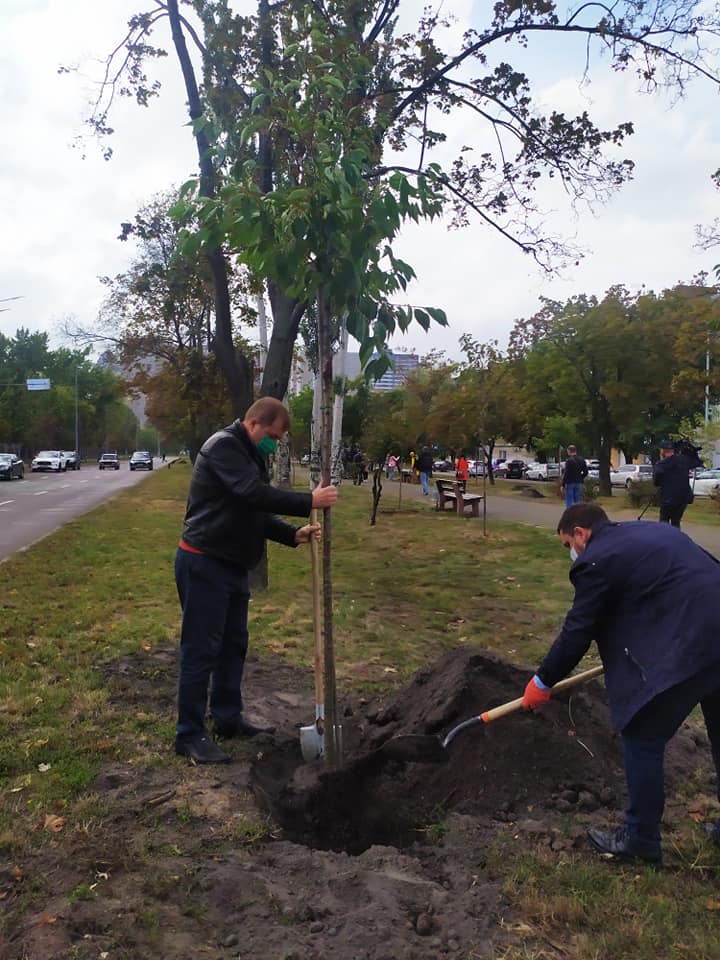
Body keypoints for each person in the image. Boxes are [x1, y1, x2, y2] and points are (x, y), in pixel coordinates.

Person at [521, 503, 720, 865]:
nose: (572, 552)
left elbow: (578, 630)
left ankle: (640, 839)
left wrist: (543, 680)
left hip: (696, 641)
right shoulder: (657, 531)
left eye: (569, 543)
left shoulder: (595, 560)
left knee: (642, 735)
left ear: (580, 533)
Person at [174, 396, 339, 764]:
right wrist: (308, 499)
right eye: (275, 436)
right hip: (204, 562)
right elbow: (251, 493)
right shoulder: (224, 447)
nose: (275, 443)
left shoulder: (250, 455)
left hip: (231, 566)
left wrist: (289, 534)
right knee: (201, 650)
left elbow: (252, 510)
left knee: (233, 645)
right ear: (254, 424)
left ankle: (227, 718)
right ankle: (188, 734)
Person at [653, 438, 703, 529]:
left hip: (668, 498)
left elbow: (656, 482)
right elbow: (697, 462)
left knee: (664, 522)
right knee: (676, 522)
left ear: (663, 451)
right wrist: (692, 452)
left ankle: (664, 542)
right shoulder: (684, 460)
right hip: (683, 498)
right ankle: (676, 541)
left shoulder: (661, 464)